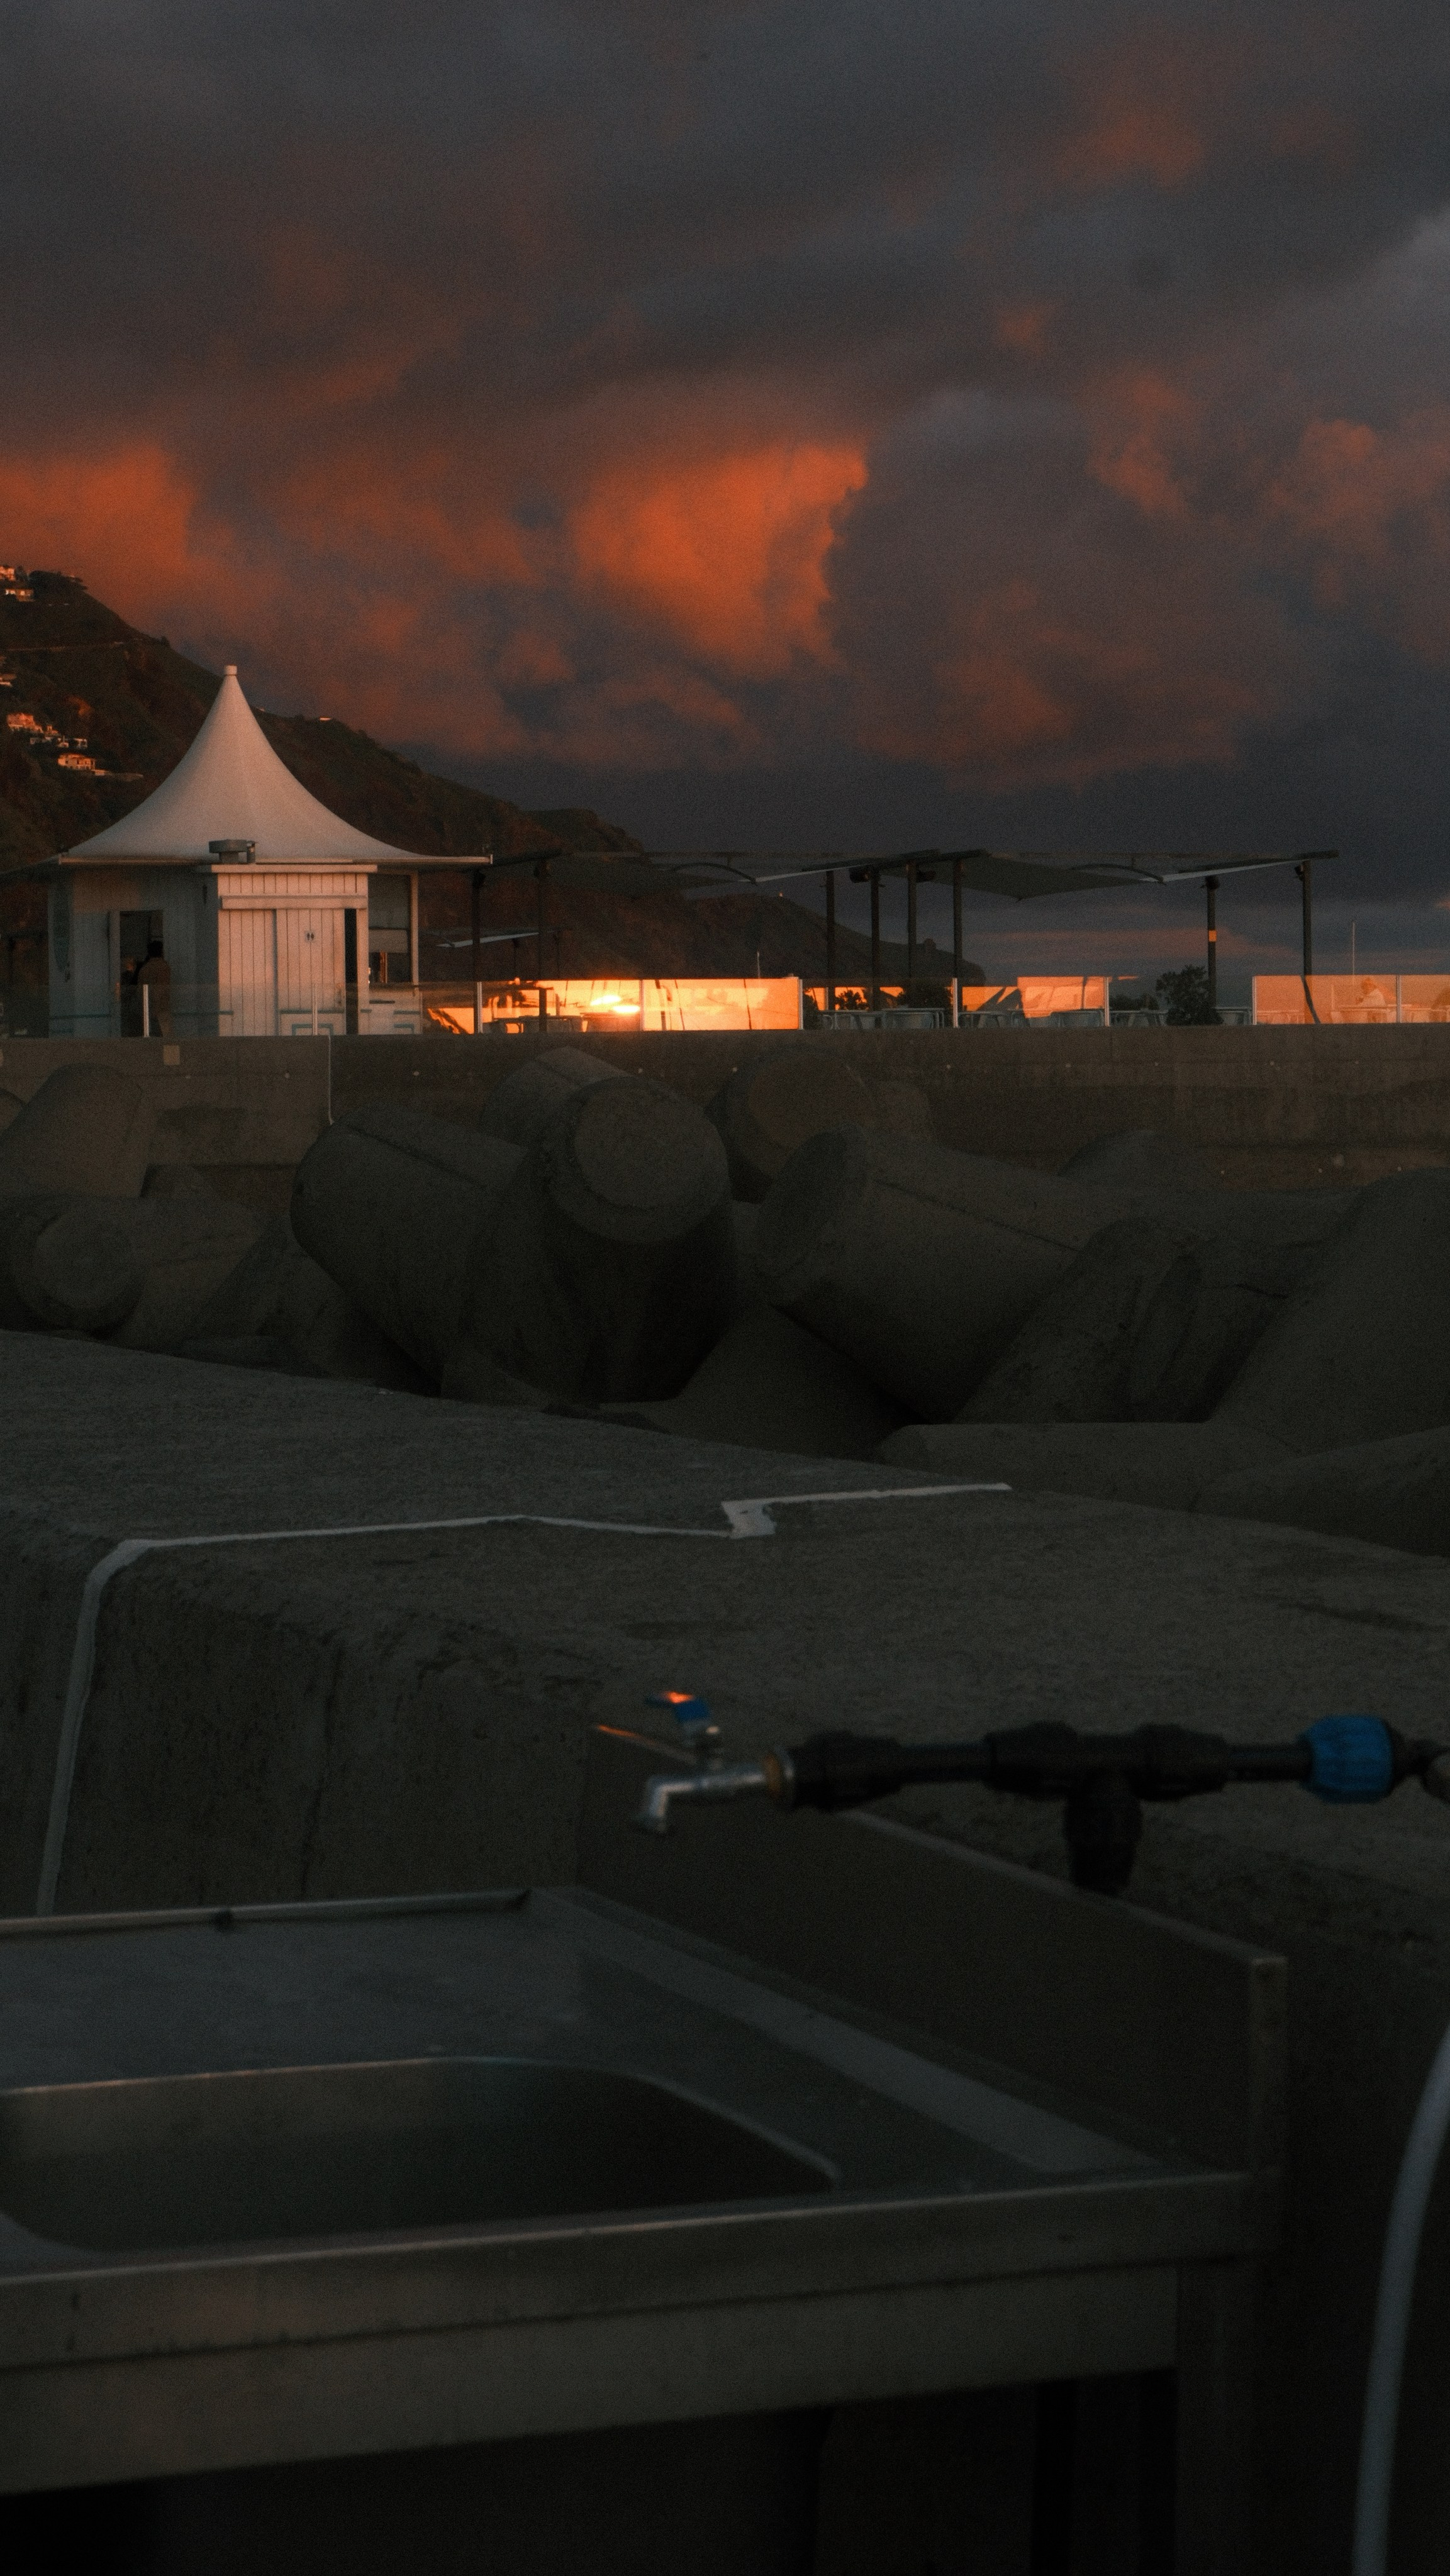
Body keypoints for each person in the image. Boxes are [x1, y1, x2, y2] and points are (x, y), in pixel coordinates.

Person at [136, 938, 173, 1038]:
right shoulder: (163, 968)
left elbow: (139, 993)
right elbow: (161, 989)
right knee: (166, 1042)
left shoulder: (144, 969)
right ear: (162, 952)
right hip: (161, 1013)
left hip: (147, 1012)